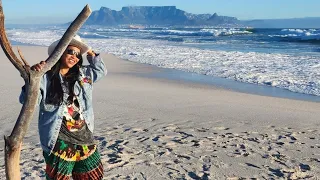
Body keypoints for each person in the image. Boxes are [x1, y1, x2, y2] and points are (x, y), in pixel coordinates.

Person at [19, 34, 107, 179]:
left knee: (94, 176)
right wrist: (33, 78)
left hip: (85, 139)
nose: (75, 56)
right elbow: (26, 100)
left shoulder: (82, 75)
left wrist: (89, 51)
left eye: (78, 55)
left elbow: (100, 71)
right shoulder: (45, 78)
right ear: (60, 52)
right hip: (59, 142)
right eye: (70, 51)